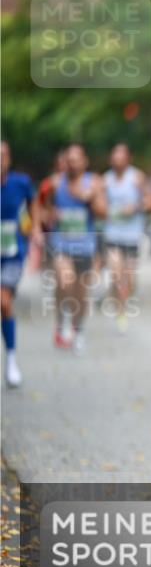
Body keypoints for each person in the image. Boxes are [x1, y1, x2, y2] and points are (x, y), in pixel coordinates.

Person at [45, 144, 106, 354]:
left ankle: (78, 331)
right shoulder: (55, 183)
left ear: (84, 162)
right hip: (61, 244)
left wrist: (89, 198)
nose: (72, 163)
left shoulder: (94, 182)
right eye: (69, 160)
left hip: (85, 246)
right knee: (64, 281)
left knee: (81, 295)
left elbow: (103, 212)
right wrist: (49, 215)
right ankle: (61, 321)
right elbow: (42, 208)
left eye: (76, 159)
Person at [103, 143, 151, 332]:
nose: (118, 161)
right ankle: (120, 313)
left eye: (122, 158)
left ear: (128, 159)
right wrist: (106, 210)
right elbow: (99, 204)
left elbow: (150, 201)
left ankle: (120, 300)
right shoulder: (105, 180)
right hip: (112, 234)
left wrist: (136, 207)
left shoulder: (137, 177)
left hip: (132, 236)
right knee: (117, 274)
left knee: (129, 280)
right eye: (115, 157)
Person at [1, 141, 38, 387]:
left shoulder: (21, 183)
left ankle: (11, 359)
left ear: (9, 159)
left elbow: (34, 204)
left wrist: (34, 228)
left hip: (13, 253)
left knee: (4, 301)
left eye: (2, 155)